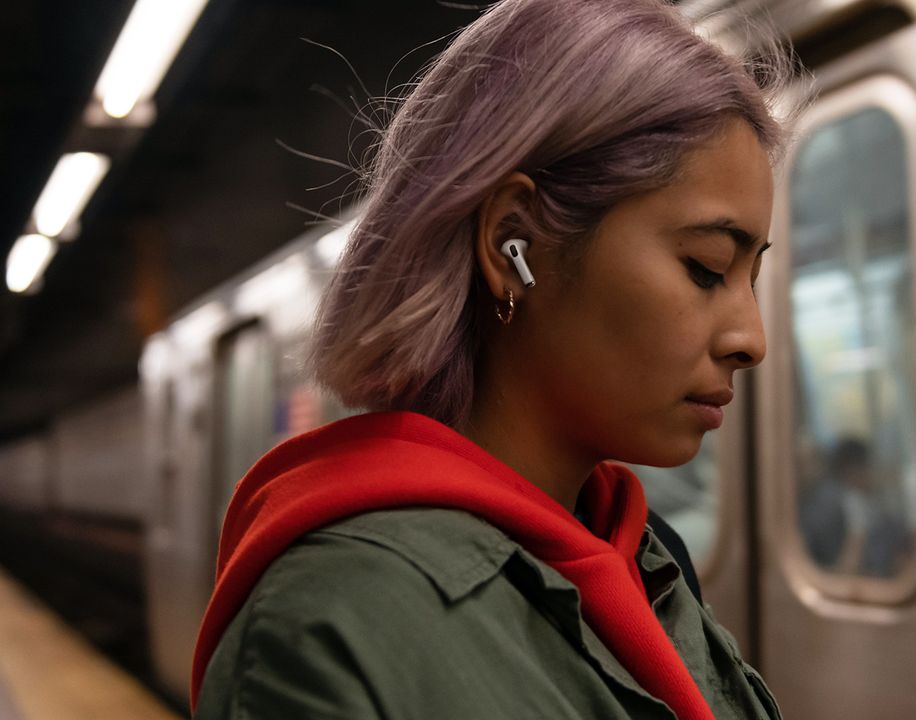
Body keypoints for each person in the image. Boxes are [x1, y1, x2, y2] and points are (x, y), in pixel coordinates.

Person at [190, 0, 806, 717]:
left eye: (750, 277)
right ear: (514, 246)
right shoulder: (331, 623)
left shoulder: (644, 563)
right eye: (705, 267)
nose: (750, 340)